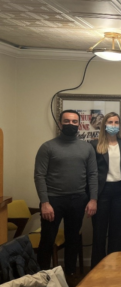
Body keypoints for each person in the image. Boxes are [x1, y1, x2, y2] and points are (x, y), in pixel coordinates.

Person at [34, 110, 98, 275]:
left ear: (79, 124)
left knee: (73, 240)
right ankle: (42, 278)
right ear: (60, 123)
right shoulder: (47, 147)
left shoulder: (87, 148)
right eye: (67, 121)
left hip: (78, 200)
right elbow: (39, 175)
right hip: (53, 201)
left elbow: (93, 175)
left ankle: (69, 276)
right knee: (47, 240)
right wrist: (44, 202)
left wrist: (93, 199)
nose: (71, 124)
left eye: (74, 121)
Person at [90, 112, 121, 268]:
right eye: (110, 122)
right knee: (99, 232)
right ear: (104, 124)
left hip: (120, 192)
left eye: (116, 122)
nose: (113, 125)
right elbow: (92, 173)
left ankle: (116, 266)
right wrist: (92, 197)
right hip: (102, 192)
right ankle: (98, 268)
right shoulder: (94, 145)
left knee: (118, 232)